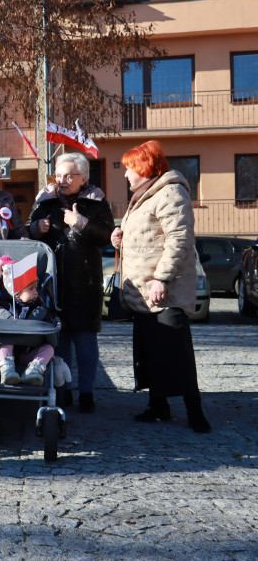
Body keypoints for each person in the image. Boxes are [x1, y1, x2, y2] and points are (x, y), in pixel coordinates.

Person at [111, 140, 211, 433]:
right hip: (144, 291)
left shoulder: (171, 192)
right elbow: (147, 235)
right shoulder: (143, 196)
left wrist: (162, 278)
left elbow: (179, 239)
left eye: (130, 168)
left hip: (164, 290)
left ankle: (196, 413)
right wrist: (120, 237)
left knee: (176, 352)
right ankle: (159, 407)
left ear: (145, 168)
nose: (126, 175)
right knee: (151, 350)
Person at [28, 152, 114, 412]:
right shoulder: (45, 200)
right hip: (52, 283)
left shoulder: (96, 201)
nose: (62, 180)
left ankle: (86, 393)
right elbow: (28, 232)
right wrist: (35, 228)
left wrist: (81, 223)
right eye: (59, 175)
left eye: (69, 175)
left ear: (83, 177)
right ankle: (62, 392)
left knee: (85, 341)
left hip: (85, 282)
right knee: (58, 340)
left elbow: (107, 236)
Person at [0, 256, 56, 386]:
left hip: (28, 351)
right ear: (16, 294)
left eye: (35, 288)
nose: (36, 292)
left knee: (49, 348)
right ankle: (7, 370)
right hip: (7, 352)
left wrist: (40, 316)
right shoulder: (3, 307)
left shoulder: (38, 306)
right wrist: (11, 320)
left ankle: (34, 370)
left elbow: (47, 322)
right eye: (31, 289)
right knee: (5, 342)